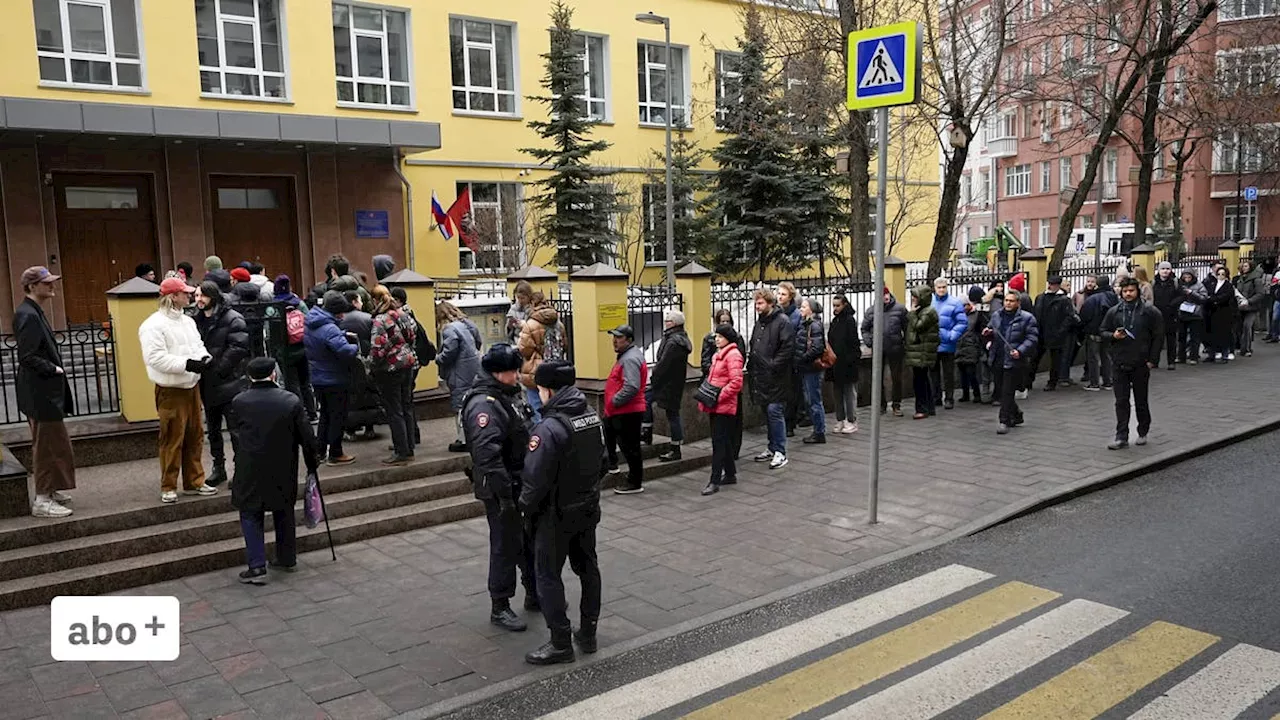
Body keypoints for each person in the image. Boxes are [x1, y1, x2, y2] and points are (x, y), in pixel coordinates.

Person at [519, 360, 605, 664]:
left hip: (555, 515)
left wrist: (524, 512)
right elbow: (603, 462)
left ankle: (560, 642)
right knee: (588, 569)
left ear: (548, 390)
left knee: (547, 576)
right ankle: (589, 633)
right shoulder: (591, 416)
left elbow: (534, 479)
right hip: (586, 507)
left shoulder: (549, 428)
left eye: (540, 389)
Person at [462, 344, 538, 632]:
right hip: (501, 486)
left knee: (529, 540)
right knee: (505, 544)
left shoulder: (506, 394)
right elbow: (487, 456)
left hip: (520, 480)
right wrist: (505, 495)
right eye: (512, 371)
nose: (517, 375)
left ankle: (534, 593)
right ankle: (500, 605)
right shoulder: (485, 404)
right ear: (497, 373)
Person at [229, 357, 319, 585]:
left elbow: (236, 434)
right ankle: (287, 557)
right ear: (274, 375)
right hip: (283, 465)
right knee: (284, 510)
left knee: (250, 513)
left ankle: (257, 565)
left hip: (250, 466)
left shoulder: (239, 401)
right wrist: (312, 462)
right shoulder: (290, 400)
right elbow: (306, 436)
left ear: (250, 377)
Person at [140, 277, 218, 504]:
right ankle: (169, 485)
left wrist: (204, 358)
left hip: (191, 385)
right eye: (184, 293)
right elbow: (155, 359)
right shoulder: (152, 325)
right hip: (170, 389)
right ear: (173, 297)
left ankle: (194, 481)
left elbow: (197, 345)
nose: (190, 296)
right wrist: (188, 364)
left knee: (195, 435)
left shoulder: (187, 321)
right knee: (172, 438)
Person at [15, 267, 76, 518]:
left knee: (55, 443)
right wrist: (54, 369)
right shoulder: (27, 315)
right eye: (46, 282)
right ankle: (42, 499)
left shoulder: (33, 311)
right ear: (31, 287)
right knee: (47, 446)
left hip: (42, 392)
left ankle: (50, 490)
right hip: (41, 393)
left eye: (51, 281)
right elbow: (27, 356)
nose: (52, 286)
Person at [193, 282, 250, 488]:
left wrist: (218, 369)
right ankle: (219, 468)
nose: (199, 300)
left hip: (229, 383)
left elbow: (239, 347)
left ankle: (240, 470)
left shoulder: (233, 318)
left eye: (203, 296)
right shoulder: (196, 319)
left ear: (213, 297)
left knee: (235, 430)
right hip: (208, 384)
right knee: (213, 431)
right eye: (197, 295)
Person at [1101, 278, 1163, 449]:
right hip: (1119, 361)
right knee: (1121, 401)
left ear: (1137, 292)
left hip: (1141, 362)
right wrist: (1113, 336)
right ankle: (1121, 435)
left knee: (1141, 400)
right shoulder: (1114, 311)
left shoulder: (1149, 311)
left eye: (1131, 290)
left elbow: (1158, 336)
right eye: (1125, 291)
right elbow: (1102, 331)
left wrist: (1152, 360)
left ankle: (1143, 430)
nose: (1128, 294)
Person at [305, 290, 360, 465]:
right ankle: (336, 453)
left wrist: (341, 336)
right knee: (337, 416)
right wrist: (355, 347)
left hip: (318, 376)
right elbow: (344, 351)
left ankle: (319, 451)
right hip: (334, 378)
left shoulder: (312, 322)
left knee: (325, 416)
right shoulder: (329, 328)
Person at [369, 284, 418, 465]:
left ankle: (401, 452)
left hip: (390, 369)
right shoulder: (403, 314)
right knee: (406, 407)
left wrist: (371, 366)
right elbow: (412, 337)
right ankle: (410, 447)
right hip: (408, 364)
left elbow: (377, 348)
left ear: (375, 300)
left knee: (394, 410)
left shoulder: (380, 320)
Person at [748, 288, 795, 470]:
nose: (757, 307)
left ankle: (780, 452)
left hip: (777, 378)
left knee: (775, 412)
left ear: (770, 303)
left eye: (760, 303)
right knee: (767, 413)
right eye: (756, 303)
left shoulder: (782, 322)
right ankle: (772, 446)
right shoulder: (761, 323)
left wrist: (773, 365)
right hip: (761, 377)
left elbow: (787, 349)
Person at [984, 290, 1039, 434]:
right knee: (1002, 389)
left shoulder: (1027, 318)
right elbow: (991, 328)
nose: (1008, 303)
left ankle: (1004, 420)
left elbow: (1032, 338)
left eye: (1011, 301)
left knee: (1007, 391)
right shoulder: (997, 315)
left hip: (1014, 360)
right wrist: (988, 332)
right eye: (1006, 300)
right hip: (998, 357)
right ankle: (1016, 414)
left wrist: (1020, 351)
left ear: (1018, 303)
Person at [699, 325, 745, 495]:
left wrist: (718, 396)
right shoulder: (719, 354)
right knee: (722, 440)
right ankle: (731, 474)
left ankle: (714, 480)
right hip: (715, 404)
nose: (716, 339)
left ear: (728, 338)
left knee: (718, 443)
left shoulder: (733, 355)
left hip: (723, 406)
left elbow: (736, 383)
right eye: (716, 336)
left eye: (720, 336)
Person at [604, 324, 648, 493]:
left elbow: (632, 386)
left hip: (627, 411)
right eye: (614, 337)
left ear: (628, 340)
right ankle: (613, 465)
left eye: (619, 337)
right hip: (620, 411)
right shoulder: (627, 355)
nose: (614, 341)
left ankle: (634, 482)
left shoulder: (629, 359)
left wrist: (615, 401)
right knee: (612, 435)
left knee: (630, 448)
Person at [644, 309, 692, 460]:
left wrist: (654, 379)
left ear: (675, 324)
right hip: (672, 383)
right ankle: (647, 434)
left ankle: (675, 448)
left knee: (671, 414)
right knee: (651, 403)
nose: (665, 324)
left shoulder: (673, 342)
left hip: (666, 383)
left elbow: (663, 364)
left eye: (668, 321)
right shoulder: (676, 338)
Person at [437, 300, 483, 452]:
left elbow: (450, 351)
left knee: (460, 405)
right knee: (473, 402)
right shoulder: (467, 324)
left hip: (459, 371)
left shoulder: (448, 329)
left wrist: (439, 358)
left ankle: (463, 439)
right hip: (473, 369)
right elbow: (478, 341)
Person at [700, 308, 746, 458]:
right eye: (722, 321)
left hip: (727, 392)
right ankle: (725, 459)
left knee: (733, 423)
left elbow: (737, 370)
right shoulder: (710, 339)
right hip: (713, 389)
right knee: (718, 429)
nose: (725, 323)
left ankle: (732, 453)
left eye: (727, 321)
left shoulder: (735, 342)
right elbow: (705, 362)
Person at [861, 286, 907, 416]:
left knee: (896, 378)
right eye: (882, 295)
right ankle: (881, 405)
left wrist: (905, 343)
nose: (885, 297)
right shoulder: (871, 311)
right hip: (878, 349)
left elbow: (907, 328)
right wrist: (870, 342)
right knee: (877, 378)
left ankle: (896, 405)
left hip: (895, 348)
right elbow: (864, 328)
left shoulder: (900, 309)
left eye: (886, 294)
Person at [1031, 275, 1079, 391]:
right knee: (1034, 358)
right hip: (1041, 332)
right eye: (1050, 284)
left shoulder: (1064, 300)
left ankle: (1052, 382)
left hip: (1056, 334)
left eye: (1053, 284)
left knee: (1055, 361)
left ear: (1058, 285)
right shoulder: (1040, 297)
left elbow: (1069, 317)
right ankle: (1028, 381)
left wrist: (1061, 331)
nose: (1050, 286)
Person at [930, 277, 968, 410]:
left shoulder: (955, 302)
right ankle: (936, 397)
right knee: (933, 373)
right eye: (939, 287)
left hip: (948, 344)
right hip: (932, 343)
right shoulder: (929, 301)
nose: (941, 290)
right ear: (934, 288)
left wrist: (952, 336)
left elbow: (962, 322)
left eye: (943, 287)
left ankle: (949, 398)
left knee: (948, 373)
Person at [905, 286, 940, 420]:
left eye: (916, 297)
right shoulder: (923, 310)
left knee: (920, 381)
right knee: (922, 379)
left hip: (922, 351)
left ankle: (922, 408)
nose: (913, 300)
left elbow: (918, 326)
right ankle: (929, 407)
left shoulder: (927, 312)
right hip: (919, 351)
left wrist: (912, 314)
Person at [796, 299, 828, 444]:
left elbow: (817, 348)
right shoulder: (806, 323)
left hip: (811, 368)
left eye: (804, 307)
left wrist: (802, 358)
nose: (801, 309)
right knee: (811, 399)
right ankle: (817, 430)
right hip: (806, 367)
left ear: (811, 310)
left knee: (814, 400)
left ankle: (819, 431)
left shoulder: (813, 325)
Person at [827, 294, 861, 432]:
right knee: (837, 393)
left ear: (844, 305)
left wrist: (850, 359)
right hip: (835, 362)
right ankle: (840, 419)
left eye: (838, 305)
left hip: (847, 363)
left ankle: (851, 420)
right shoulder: (835, 321)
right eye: (834, 305)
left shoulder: (849, 321)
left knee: (848, 392)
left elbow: (853, 343)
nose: (835, 308)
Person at [776, 281, 806, 434]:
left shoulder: (796, 315)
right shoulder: (776, 313)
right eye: (779, 294)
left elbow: (800, 339)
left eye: (783, 294)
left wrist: (797, 358)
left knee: (792, 392)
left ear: (790, 297)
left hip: (792, 360)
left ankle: (790, 423)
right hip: (779, 359)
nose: (780, 297)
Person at [1080, 275, 1119, 391]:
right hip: (1108, 331)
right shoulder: (1113, 297)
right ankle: (1108, 381)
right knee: (1106, 356)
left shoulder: (1092, 298)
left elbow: (1085, 315)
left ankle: (1094, 383)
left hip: (1094, 331)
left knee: (1093, 357)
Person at [955, 286, 988, 404]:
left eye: (965, 305)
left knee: (971, 372)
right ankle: (965, 394)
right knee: (962, 373)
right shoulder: (957, 315)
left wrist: (977, 343)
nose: (964, 308)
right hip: (959, 346)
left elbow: (980, 330)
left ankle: (976, 394)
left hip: (971, 346)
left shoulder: (977, 315)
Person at [1202, 266, 1236, 363]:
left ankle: (1225, 355)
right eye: (1218, 274)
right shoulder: (1212, 284)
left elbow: (1226, 297)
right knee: (1211, 334)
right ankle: (1211, 354)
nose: (1220, 276)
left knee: (1224, 335)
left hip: (1223, 313)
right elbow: (1207, 294)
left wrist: (1213, 299)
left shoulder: (1228, 286)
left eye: (1223, 274)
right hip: (1211, 313)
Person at [1151, 262, 1181, 370]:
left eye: (1167, 269)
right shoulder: (1154, 282)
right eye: (1163, 269)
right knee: (1157, 339)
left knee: (1171, 340)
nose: (1165, 271)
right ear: (1158, 270)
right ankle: (1154, 361)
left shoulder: (1175, 282)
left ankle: (1171, 362)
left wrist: (1172, 304)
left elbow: (1181, 296)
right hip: (1157, 315)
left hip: (1171, 314)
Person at [1234, 259, 1267, 357]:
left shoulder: (1256, 279)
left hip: (1251, 308)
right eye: (1243, 266)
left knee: (1247, 326)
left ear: (1251, 267)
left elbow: (1260, 294)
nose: (1243, 268)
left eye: (1246, 266)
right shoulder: (1240, 279)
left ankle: (1247, 349)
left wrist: (1249, 301)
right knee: (1239, 328)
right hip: (1240, 307)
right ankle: (1241, 347)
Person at [1177, 269, 1207, 363]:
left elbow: (1204, 298)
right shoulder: (1180, 285)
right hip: (1182, 313)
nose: (1187, 279)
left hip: (1195, 314)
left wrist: (1192, 293)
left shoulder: (1199, 285)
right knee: (1181, 337)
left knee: (1195, 337)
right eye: (1185, 277)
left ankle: (1193, 356)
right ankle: (1181, 356)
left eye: (1189, 277)